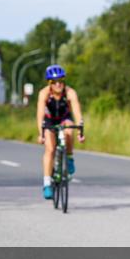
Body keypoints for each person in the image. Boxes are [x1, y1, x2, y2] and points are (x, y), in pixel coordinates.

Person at [36, 64, 84, 199]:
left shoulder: (70, 93)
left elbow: (77, 113)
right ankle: (47, 184)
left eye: (61, 81)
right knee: (50, 149)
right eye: (54, 82)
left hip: (64, 118)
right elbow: (40, 115)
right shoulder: (44, 93)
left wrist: (80, 130)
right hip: (49, 120)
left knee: (69, 129)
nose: (58, 84)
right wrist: (41, 133)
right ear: (49, 83)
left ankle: (69, 157)